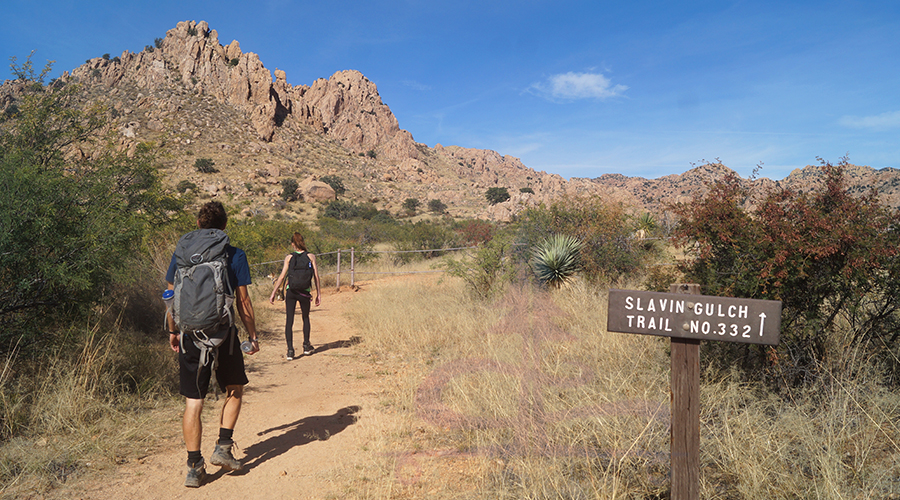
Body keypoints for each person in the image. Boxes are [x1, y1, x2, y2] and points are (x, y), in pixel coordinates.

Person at [165, 201, 260, 488]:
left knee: (193, 402)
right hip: (225, 334)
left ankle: (194, 467)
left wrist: (173, 331)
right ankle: (223, 447)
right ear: (224, 226)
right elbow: (243, 301)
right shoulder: (234, 254)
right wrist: (252, 335)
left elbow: (170, 294)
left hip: (190, 335)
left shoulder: (182, 253)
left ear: (198, 224)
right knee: (235, 388)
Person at [269, 232, 321, 360]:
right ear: (302, 242)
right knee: (305, 318)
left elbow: (281, 276)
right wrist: (319, 294)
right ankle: (306, 346)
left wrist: (273, 293)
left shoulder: (289, 258)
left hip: (291, 292)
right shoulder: (311, 256)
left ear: (293, 244)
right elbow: (316, 276)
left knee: (289, 320)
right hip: (305, 292)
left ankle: (290, 351)